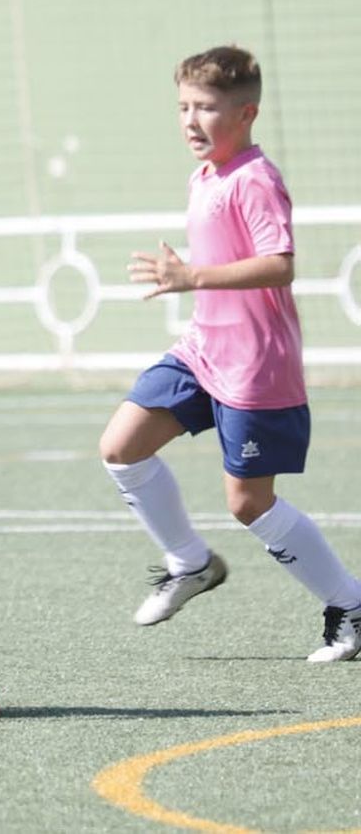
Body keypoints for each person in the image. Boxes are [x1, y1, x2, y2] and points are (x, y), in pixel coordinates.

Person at [99, 45, 361, 662]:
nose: (191, 120)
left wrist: (193, 278)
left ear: (246, 113)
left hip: (254, 367)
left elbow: (280, 265)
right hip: (201, 350)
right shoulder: (205, 175)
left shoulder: (256, 179)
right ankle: (190, 563)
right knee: (120, 448)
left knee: (247, 504)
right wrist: (194, 288)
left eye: (207, 108)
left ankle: (350, 605)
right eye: (183, 107)